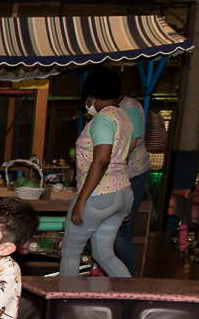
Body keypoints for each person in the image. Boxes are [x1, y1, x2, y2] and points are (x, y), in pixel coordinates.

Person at [60, 66, 134, 277]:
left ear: (91, 95)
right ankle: (131, 294)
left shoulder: (103, 119)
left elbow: (101, 160)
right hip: (122, 193)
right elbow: (122, 157)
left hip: (98, 195)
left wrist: (82, 199)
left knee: (70, 252)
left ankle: (65, 298)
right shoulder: (124, 118)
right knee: (105, 254)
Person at [113, 91, 150, 275]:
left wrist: (107, 160)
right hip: (119, 175)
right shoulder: (115, 108)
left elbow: (131, 142)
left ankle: (127, 281)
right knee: (114, 231)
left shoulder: (130, 107)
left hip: (132, 173)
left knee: (121, 230)